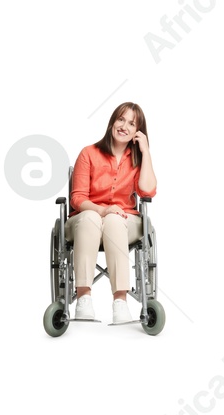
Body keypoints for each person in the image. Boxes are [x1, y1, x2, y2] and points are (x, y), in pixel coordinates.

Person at [68, 103, 158, 325]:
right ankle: (83, 299)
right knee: (92, 218)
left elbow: (147, 190)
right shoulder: (89, 153)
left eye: (131, 123)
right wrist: (103, 210)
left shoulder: (136, 159)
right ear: (112, 122)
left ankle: (120, 301)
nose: (124, 126)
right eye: (120, 119)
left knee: (115, 221)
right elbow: (78, 198)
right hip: (86, 219)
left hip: (123, 222)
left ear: (138, 131)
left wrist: (145, 151)